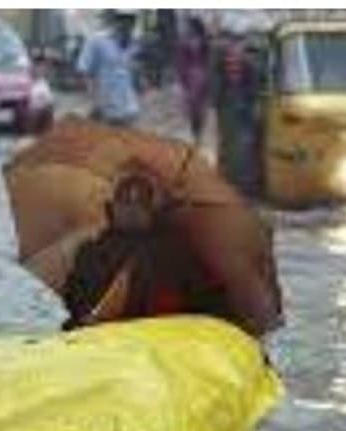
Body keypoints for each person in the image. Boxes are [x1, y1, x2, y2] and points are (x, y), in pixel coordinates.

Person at [62, 171, 242, 332]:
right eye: (125, 201)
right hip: (99, 339)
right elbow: (74, 298)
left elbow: (205, 297)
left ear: (153, 209)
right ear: (112, 207)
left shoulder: (172, 251)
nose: (131, 210)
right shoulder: (91, 251)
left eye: (140, 202)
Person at [212, 22, 263, 196]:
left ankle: (243, 186)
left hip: (241, 104)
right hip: (229, 104)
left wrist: (252, 102)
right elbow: (217, 81)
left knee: (244, 147)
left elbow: (254, 84)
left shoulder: (248, 61)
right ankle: (230, 183)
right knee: (230, 144)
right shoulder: (221, 57)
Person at [76, 10, 142, 128]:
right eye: (122, 19)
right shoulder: (97, 41)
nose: (127, 24)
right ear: (115, 20)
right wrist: (95, 101)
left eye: (131, 20)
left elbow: (131, 74)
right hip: (105, 111)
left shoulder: (134, 44)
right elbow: (84, 72)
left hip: (129, 110)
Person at [175, 17, 212, 145]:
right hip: (190, 82)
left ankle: (198, 136)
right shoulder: (183, 45)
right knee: (193, 112)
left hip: (203, 81)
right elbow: (181, 65)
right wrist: (182, 82)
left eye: (190, 28)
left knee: (201, 111)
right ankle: (196, 136)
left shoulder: (206, 44)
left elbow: (209, 62)